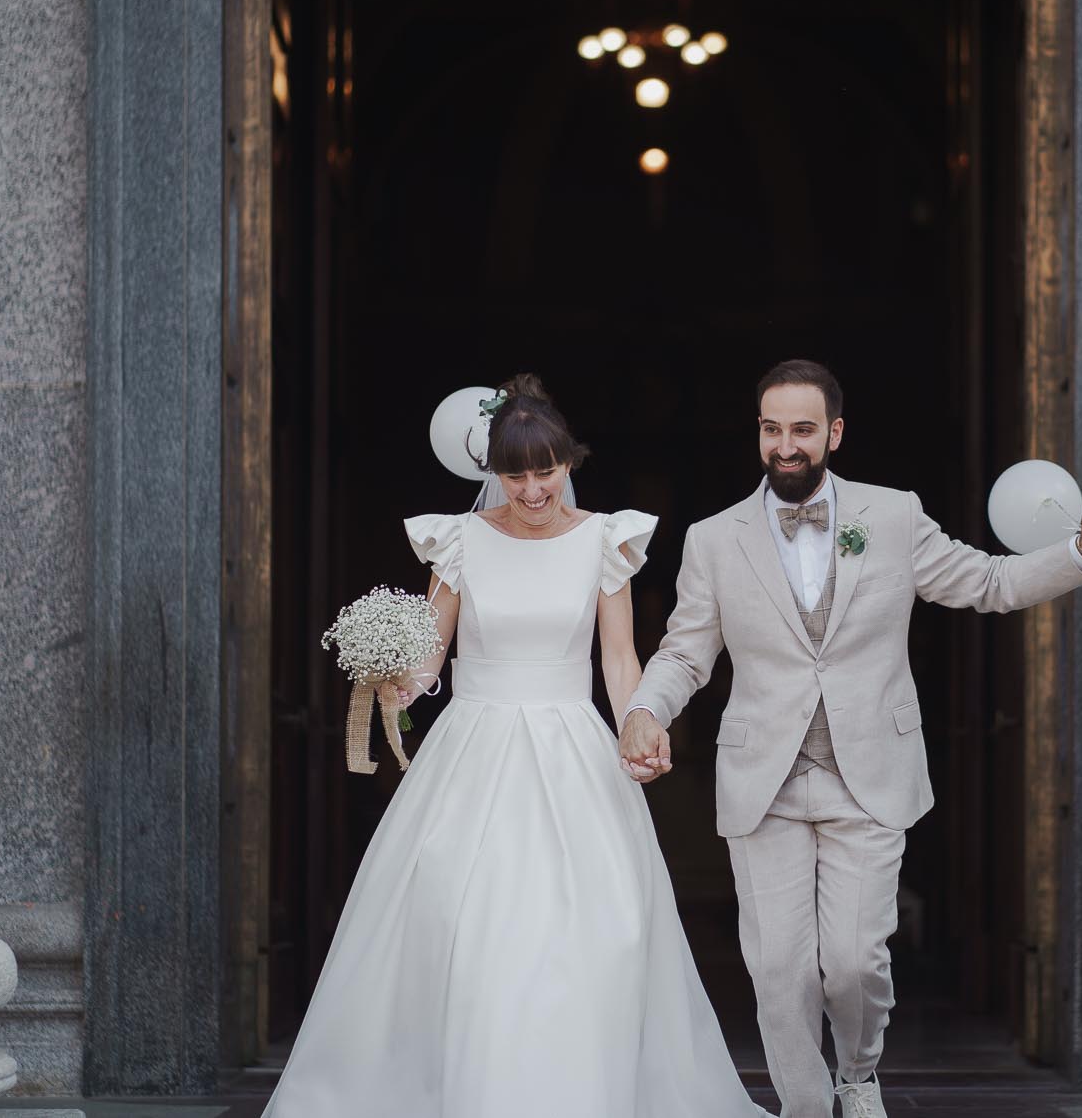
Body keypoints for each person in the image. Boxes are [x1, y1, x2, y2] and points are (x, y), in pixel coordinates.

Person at [620, 359, 1082, 1118]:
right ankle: (804, 1106)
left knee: (854, 962)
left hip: (871, 773)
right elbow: (686, 652)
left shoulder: (892, 515)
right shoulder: (714, 539)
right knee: (780, 969)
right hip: (764, 779)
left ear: (834, 432)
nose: (785, 446)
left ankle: (858, 1076)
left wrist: (1078, 553)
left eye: (801, 429)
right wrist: (645, 709)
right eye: (771, 429)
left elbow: (988, 582)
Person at [261, 374, 768, 1118]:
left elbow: (618, 658)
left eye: (546, 471)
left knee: (598, 926)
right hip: (474, 745)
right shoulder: (459, 541)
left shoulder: (605, 540)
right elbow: (431, 657)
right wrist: (395, 682)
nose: (533, 490)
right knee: (460, 919)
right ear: (493, 473)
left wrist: (639, 721)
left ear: (569, 462)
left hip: (571, 747)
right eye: (515, 475)